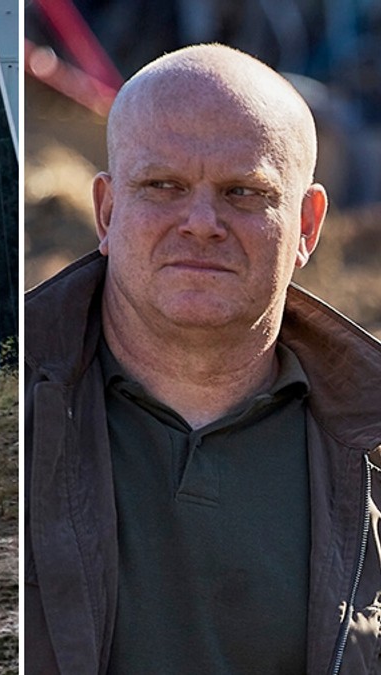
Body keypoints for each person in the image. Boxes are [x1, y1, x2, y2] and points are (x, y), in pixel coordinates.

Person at [25, 44, 381, 672]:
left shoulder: (372, 443)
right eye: (163, 186)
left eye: (244, 192)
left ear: (307, 225)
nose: (201, 222)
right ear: (106, 211)